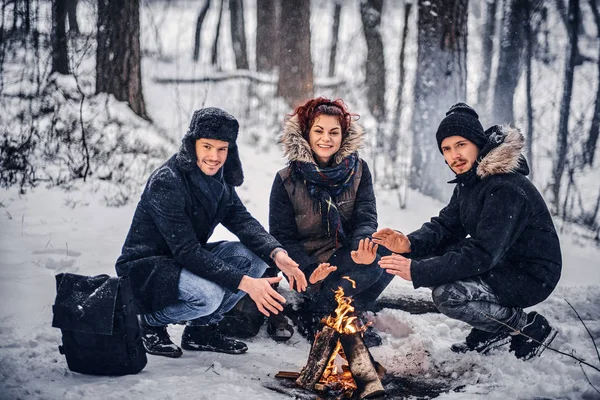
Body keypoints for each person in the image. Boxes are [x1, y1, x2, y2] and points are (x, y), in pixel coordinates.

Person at [373, 103, 562, 360]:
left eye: (461, 145)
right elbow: (447, 227)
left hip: (529, 274)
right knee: (434, 261)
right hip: (502, 264)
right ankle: (492, 330)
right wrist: (408, 243)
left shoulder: (505, 187)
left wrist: (418, 270)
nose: (454, 156)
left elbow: (482, 254)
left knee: (448, 295)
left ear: (477, 142)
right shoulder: (471, 181)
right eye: (446, 149)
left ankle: (525, 327)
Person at [115, 107, 307, 358]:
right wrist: (246, 283)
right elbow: (186, 250)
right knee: (208, 296)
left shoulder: (220, 179)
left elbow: (241, 220)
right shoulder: (168, 180)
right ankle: (151, 321)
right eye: (207, 147)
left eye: (222, 149)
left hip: (181, 260)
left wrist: (277, 253)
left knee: (254, 257)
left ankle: (200, 331)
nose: (214, 156)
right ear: (193, 144)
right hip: (148, 268)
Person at [268, 97, 393, 346]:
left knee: (387, 254)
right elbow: (282, 237)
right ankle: (316, 314)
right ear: (306, 134)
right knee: (328, 280)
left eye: (334, 132)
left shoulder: (358, 170)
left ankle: (348, 314)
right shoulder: (286, 180)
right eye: (319, 131)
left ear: (343, 136)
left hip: (345, 254)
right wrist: (307, 270)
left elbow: (366, 215)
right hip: (309, 263)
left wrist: (362, 247)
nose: (326, 138)